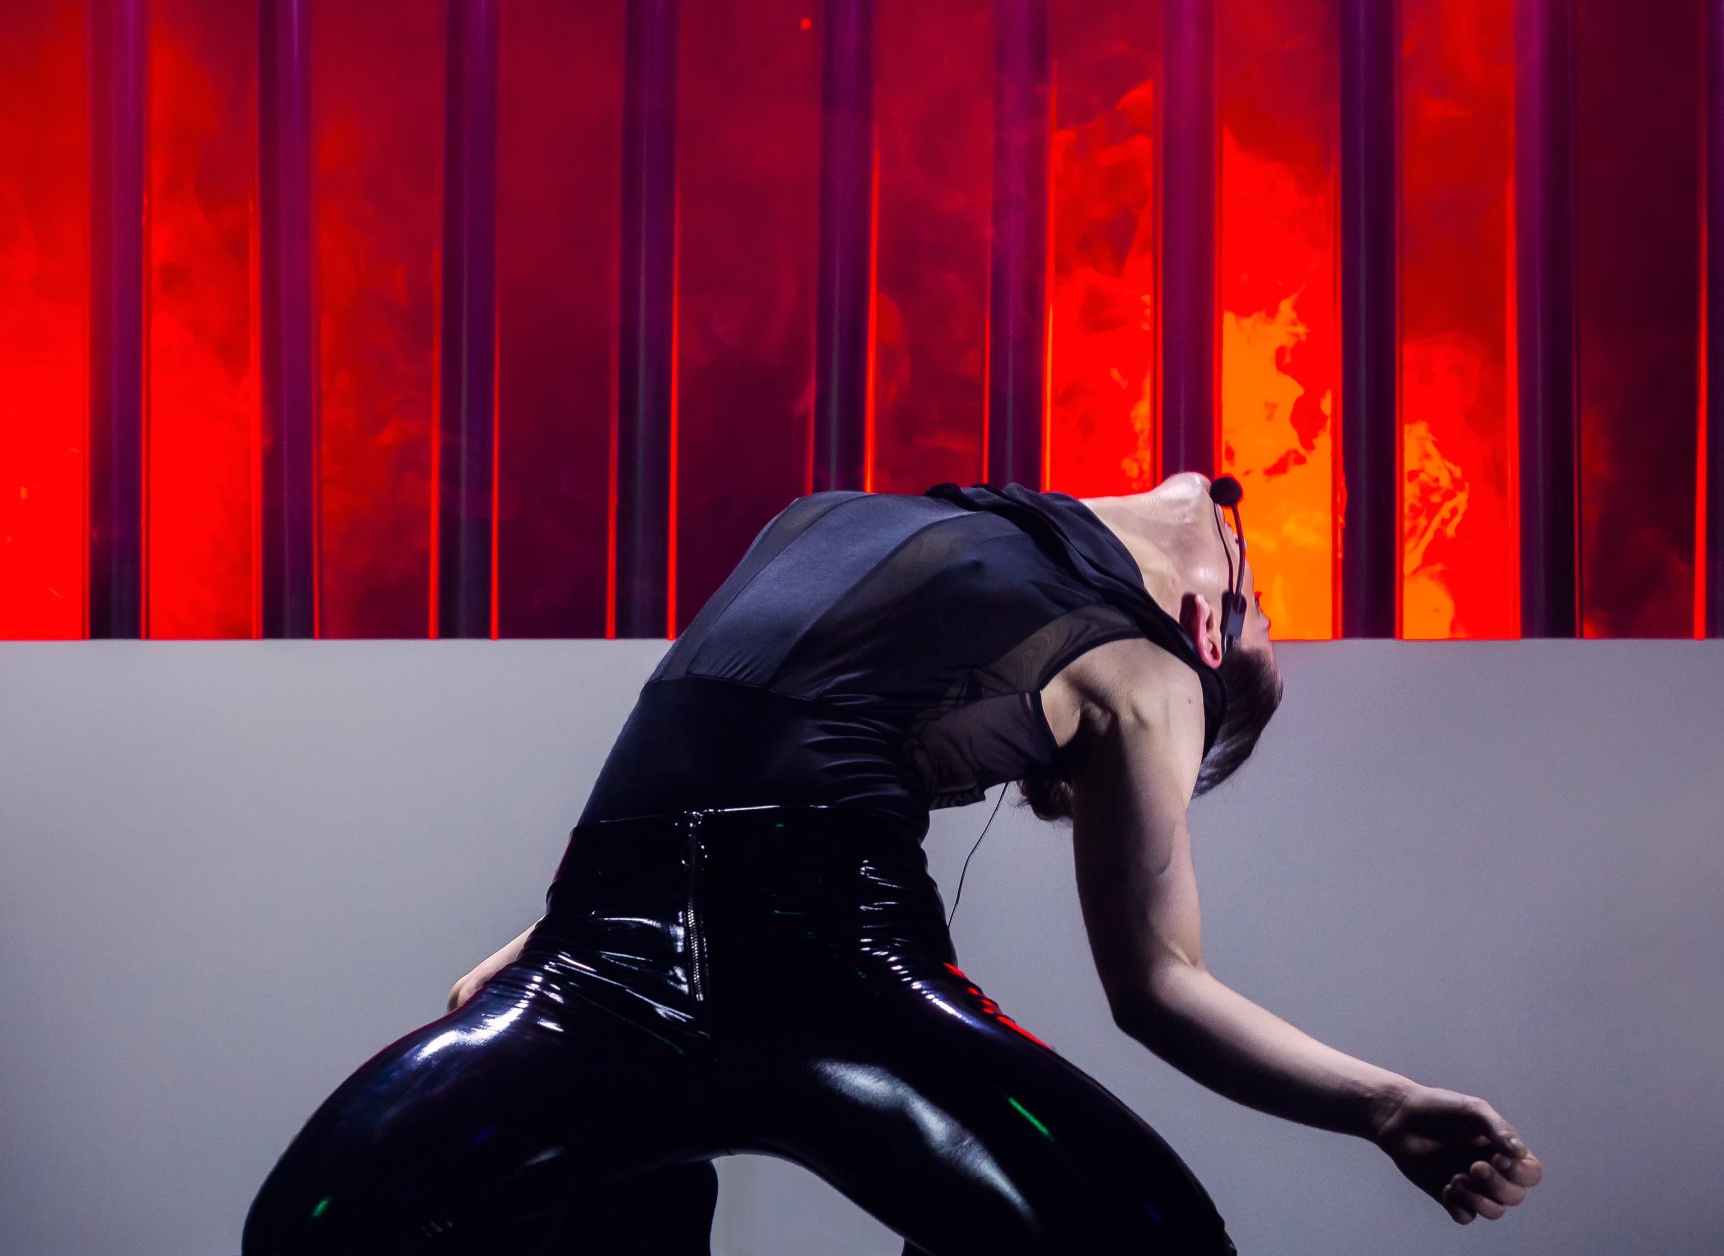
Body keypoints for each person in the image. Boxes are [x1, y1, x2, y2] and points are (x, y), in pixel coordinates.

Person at [241, 473, 1541, 1255]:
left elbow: (720, 736)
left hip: (712, 967)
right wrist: (1383, 1103)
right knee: (325, 1225)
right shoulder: (1160, 668)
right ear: (1211, 628)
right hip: (735, 969)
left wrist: (561, 941)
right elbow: (1162, 984)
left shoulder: (834, 523)